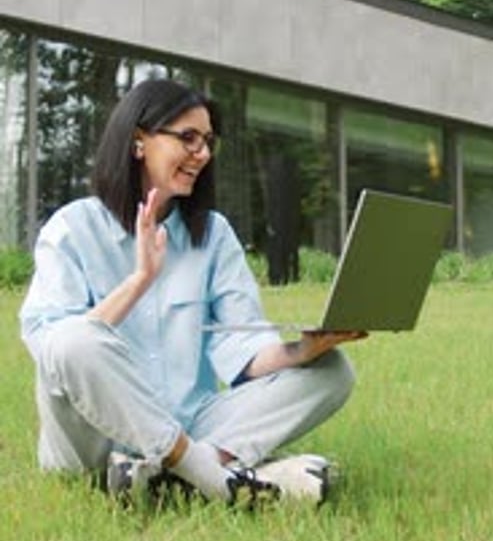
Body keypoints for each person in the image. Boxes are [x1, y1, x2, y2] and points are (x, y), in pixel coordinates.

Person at [20, 78, 365, 507]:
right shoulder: (71, 228)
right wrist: (140, 280)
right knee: (75, 336)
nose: (201, 153)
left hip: (192, 422)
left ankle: (172, 474)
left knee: (333, 371)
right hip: (92, 441)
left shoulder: (213, 235)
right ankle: (215, 479)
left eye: (207, 141)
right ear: (138, 142)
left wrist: (303, 350)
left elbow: (240, 344)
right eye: (187, 138)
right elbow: (56, 352)